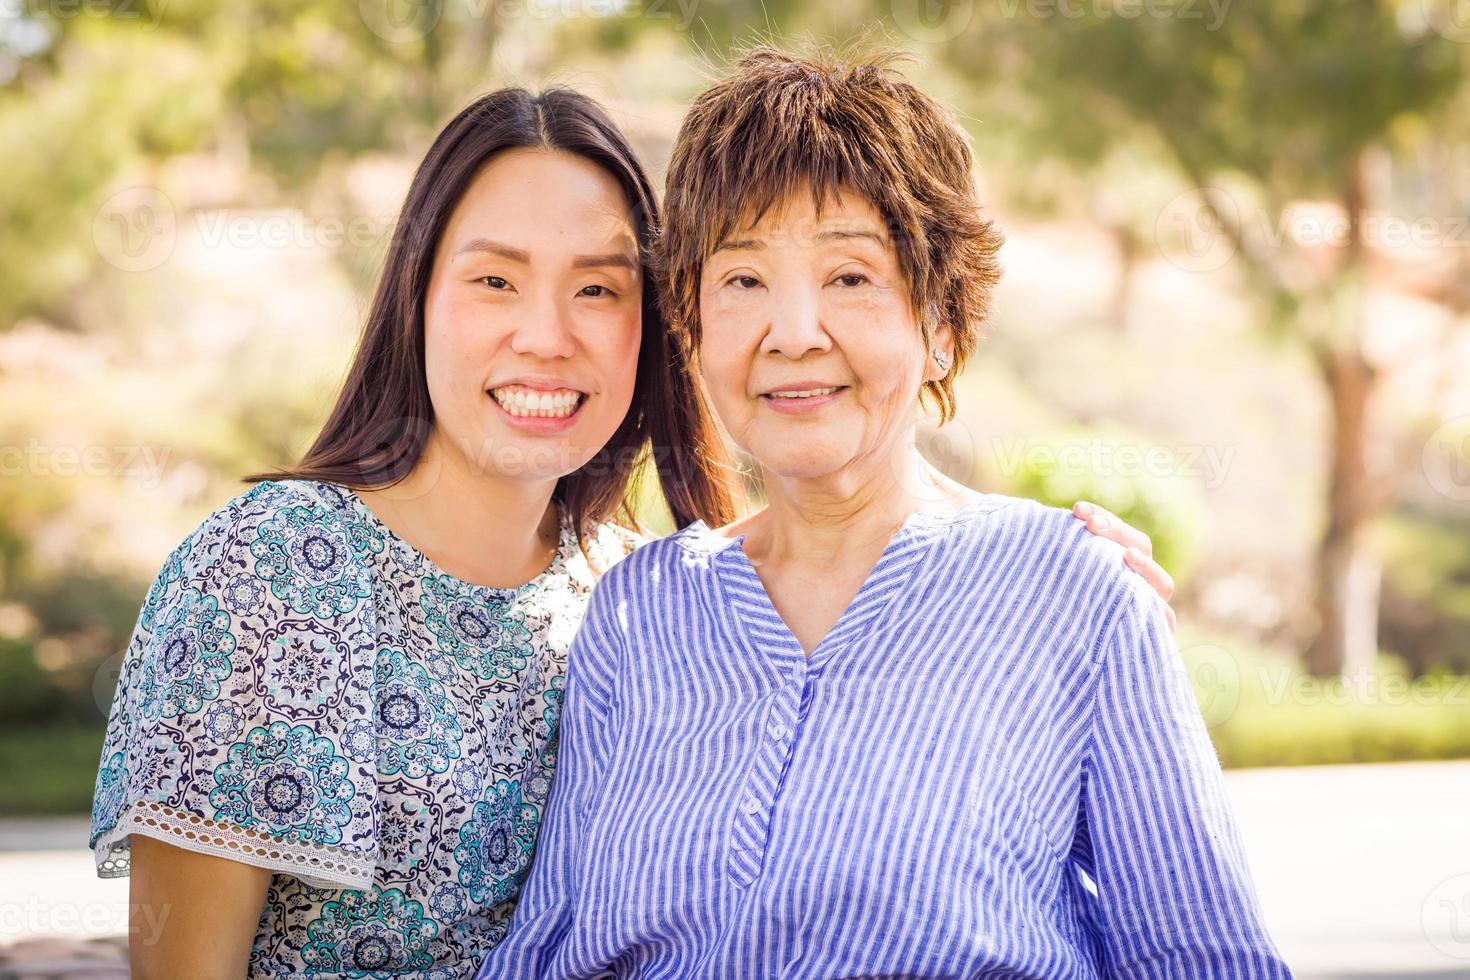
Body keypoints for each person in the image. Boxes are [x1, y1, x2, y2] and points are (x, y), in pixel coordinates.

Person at [91, 83, 1171, 977]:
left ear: (654, 324)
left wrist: (1050, 569)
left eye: (599, 289)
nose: (545, 336)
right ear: (416, 296)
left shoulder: (631, 595)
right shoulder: (271, 567)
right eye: (494, 280)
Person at [477, 48, 1291, 979]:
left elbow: (1204, 958)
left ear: (940, 324)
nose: (792, 332)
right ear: (693, 327)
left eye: (851, 277)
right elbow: (542, 955)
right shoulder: (636, 614)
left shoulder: (1074, 595)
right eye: (742, 281)